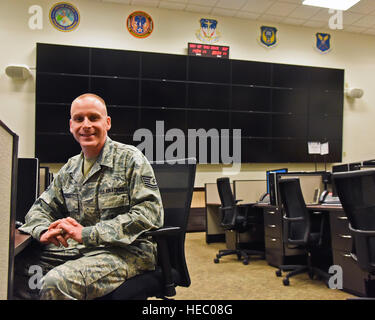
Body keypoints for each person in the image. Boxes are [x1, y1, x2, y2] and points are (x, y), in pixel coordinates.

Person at [17, 93, 164, 300]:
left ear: (107, 122)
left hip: (127, 252)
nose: (86, 125)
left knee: (55, 282)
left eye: (93, 118)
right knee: (15, 267)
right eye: (79, 119)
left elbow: (149, 214)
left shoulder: (130, 159)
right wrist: (43, 230)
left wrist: (88, 234)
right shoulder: (70, 168)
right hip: (82, 250)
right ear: (71, 125)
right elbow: (41, 208)